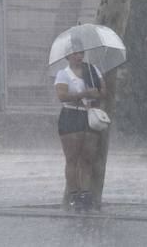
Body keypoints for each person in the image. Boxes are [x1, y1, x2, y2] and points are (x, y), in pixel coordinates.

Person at [54, 47, 105, 211]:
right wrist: (83, 93)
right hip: (70, 115)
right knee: (72, 158)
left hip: (88, 115)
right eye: (75, 53)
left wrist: (96, 93)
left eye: (81, 53)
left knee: (87, 157)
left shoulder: (92, 70)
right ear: (67, 56)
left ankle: (85, 194)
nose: (79, 56)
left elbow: (103, 91)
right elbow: (62, 96)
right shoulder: (63, 74)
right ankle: (74, 194)